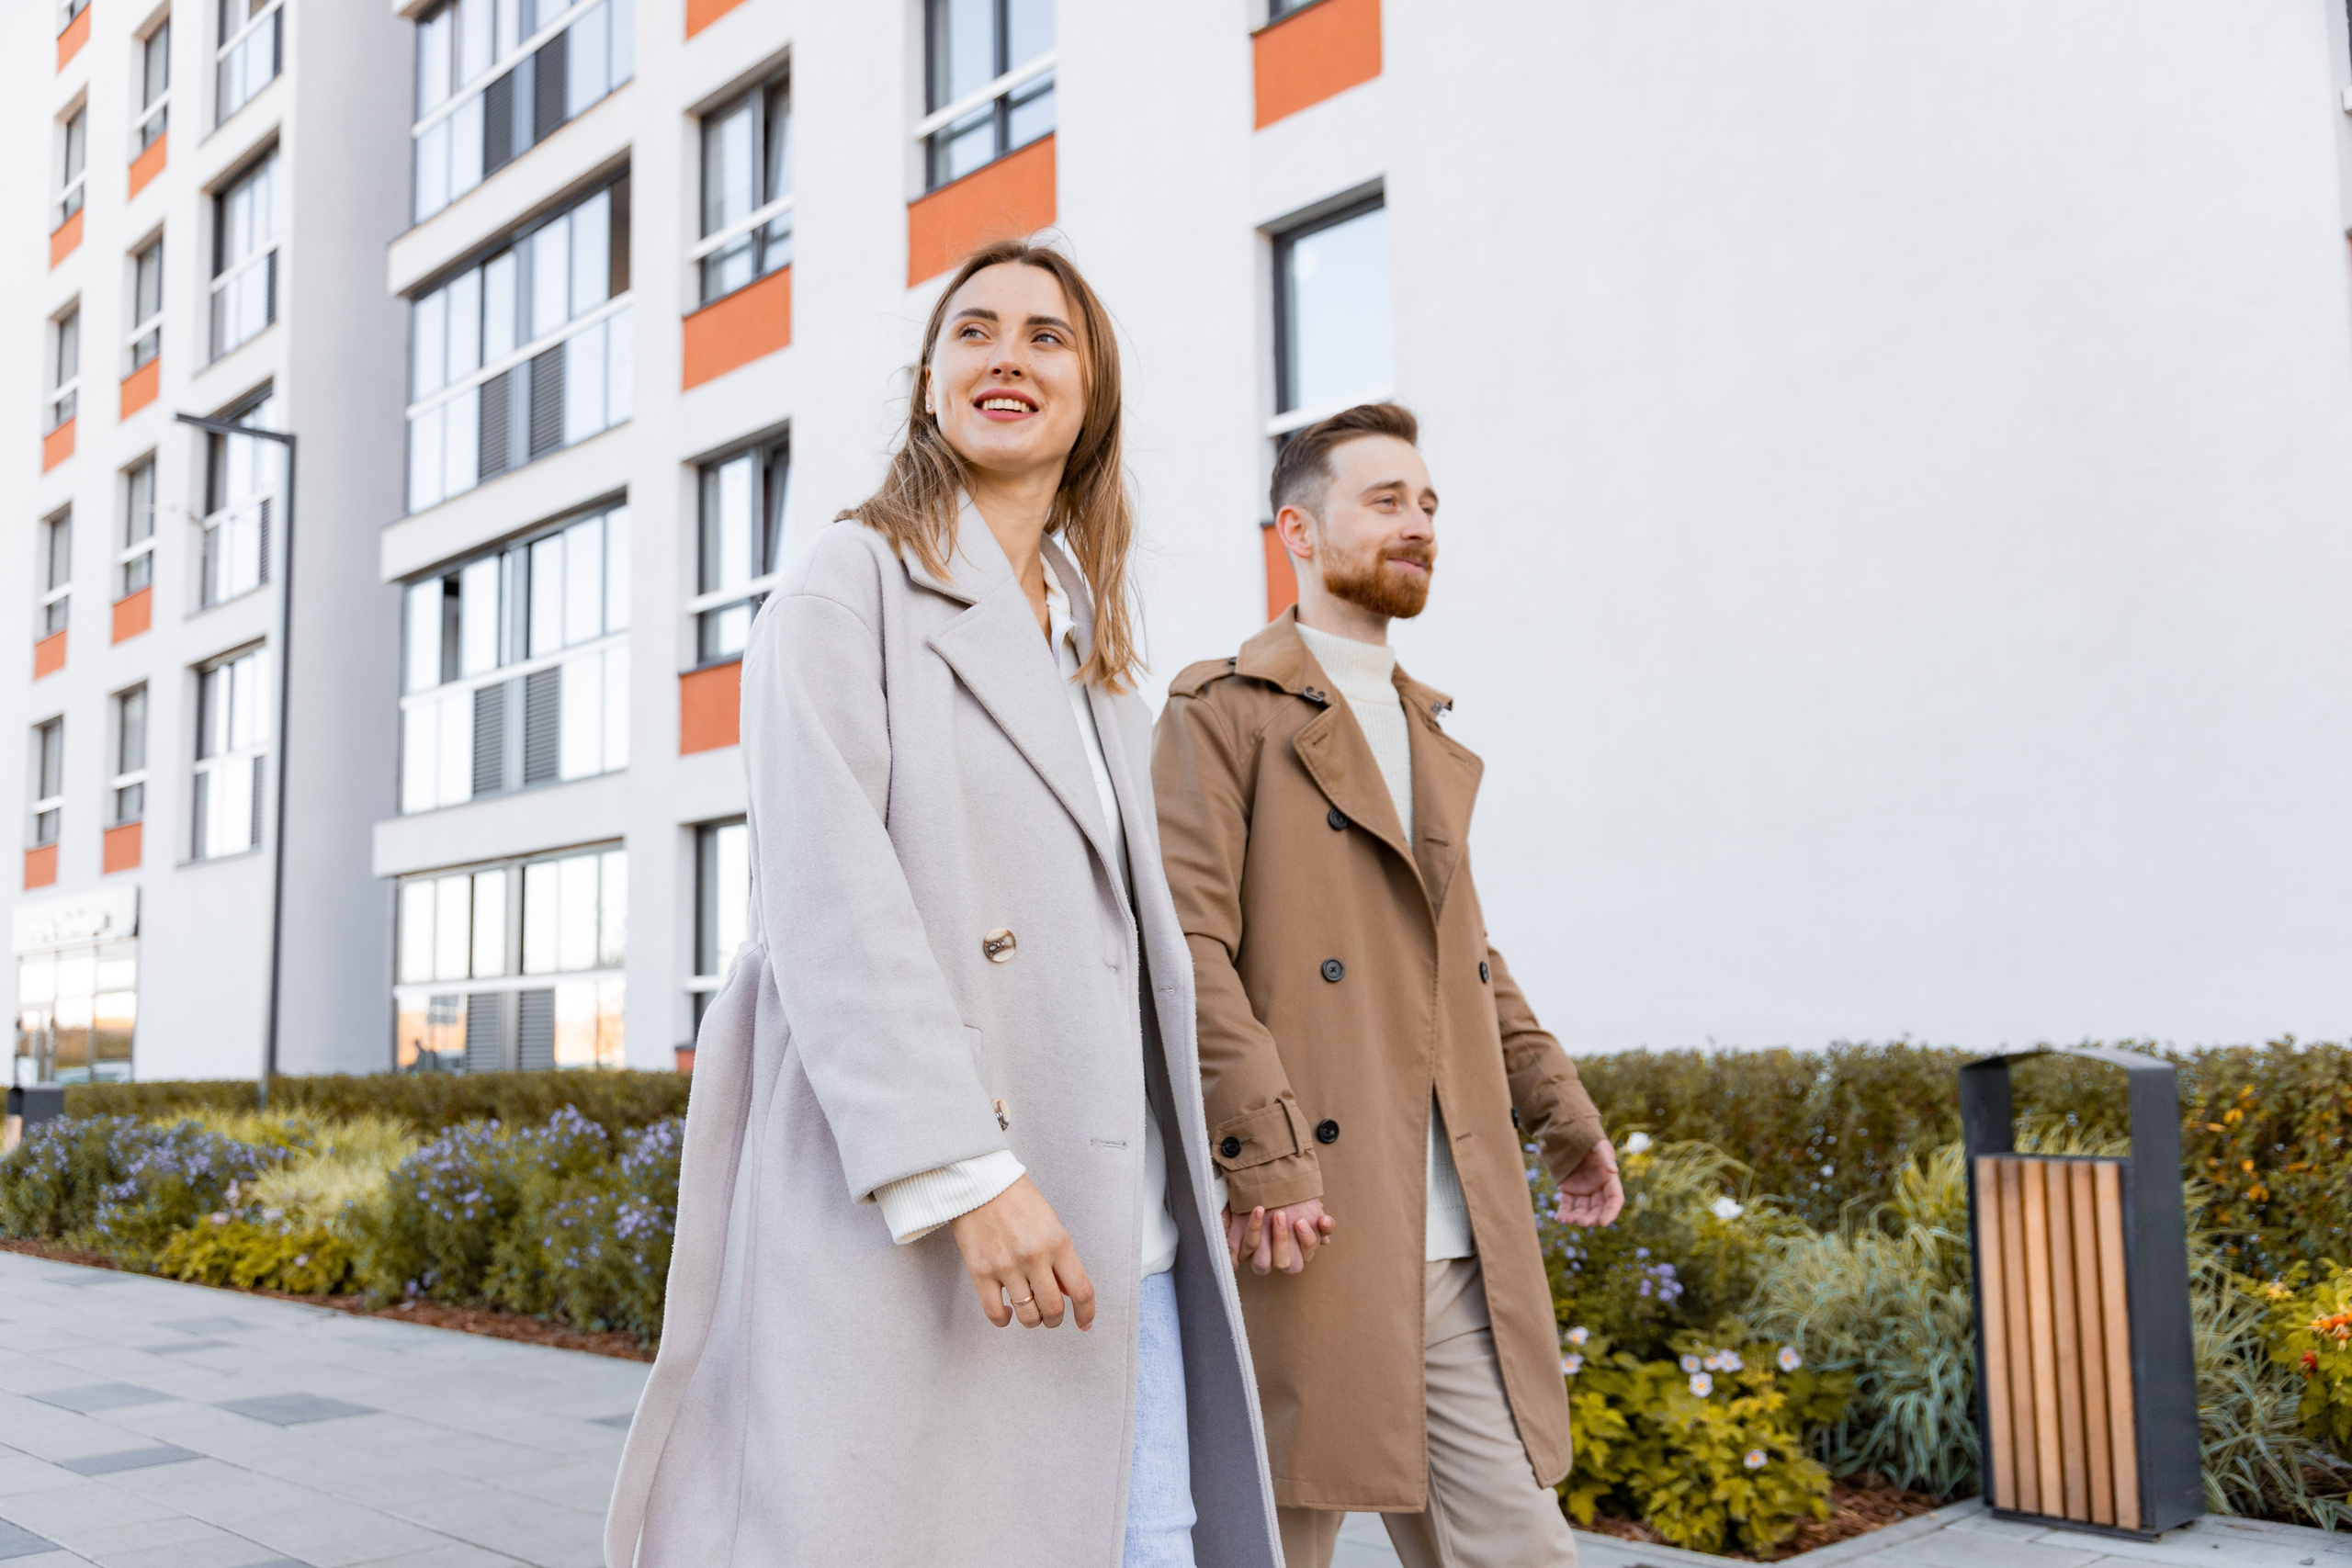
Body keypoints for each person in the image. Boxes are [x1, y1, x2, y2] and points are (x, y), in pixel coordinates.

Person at [604, 240, 1282, 1568]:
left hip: (1119, 1229)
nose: (1007, 357)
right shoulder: (845, 584)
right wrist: (963, 1168)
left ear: (1092, 398)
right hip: (942, 1207)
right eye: (974, 331)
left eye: (1047, 336)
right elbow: (829, 900)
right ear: (930, 383)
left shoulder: (1094, 648)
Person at [1151, 401, 1625, 1568]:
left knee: (1520, 1552)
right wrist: (1263, 1155)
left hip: (1453, 1230)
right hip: (1301, 1225)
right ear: (1297, 534)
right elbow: (1188, 948)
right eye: (1385, 501)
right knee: (1271, 1551)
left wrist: (1560, 1112)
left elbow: (1462, 953)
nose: (1417, 524)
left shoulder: (1429, 730)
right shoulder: (1224, 713)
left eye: (1427, 506)